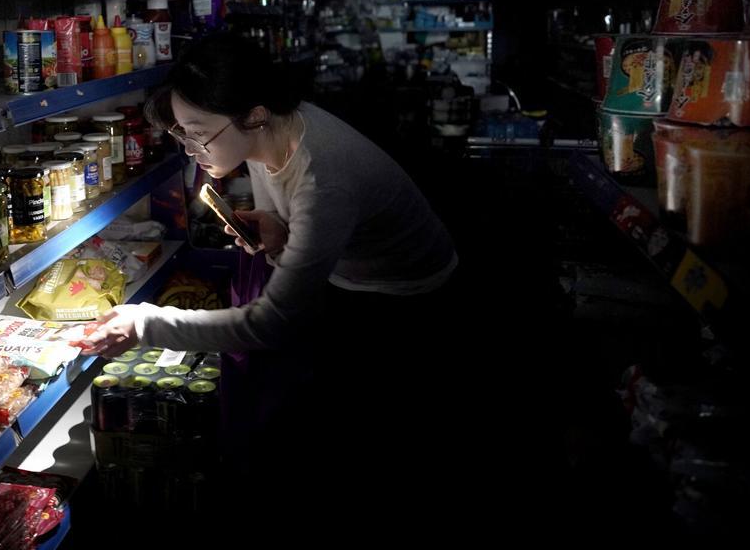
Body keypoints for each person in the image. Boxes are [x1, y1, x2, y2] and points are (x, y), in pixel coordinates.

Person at [79, 32, 472, 533]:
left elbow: (271, 323)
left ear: (256, 115)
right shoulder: (270, 136)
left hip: (409, 300)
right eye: (182, 131)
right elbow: (303, 234)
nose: (190, 148)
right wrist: (281, 233)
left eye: (199, 133)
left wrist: (145, 323)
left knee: (379, 444)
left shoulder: (323, 177)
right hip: (348, 276)